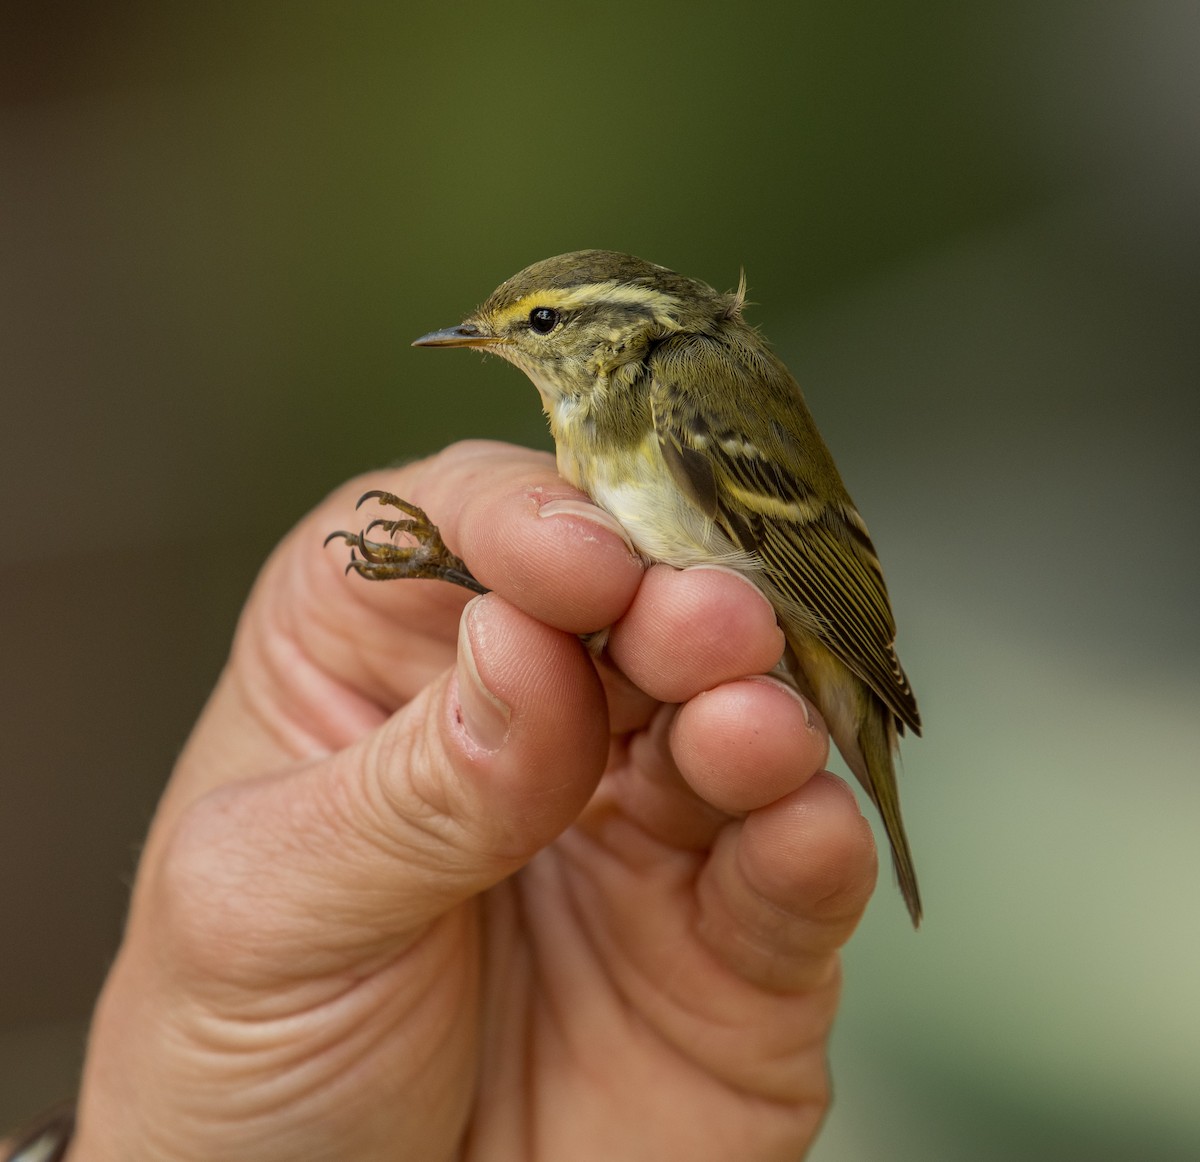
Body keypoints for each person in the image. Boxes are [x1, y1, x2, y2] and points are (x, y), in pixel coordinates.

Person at [6, 441, 878, 1161]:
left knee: (621, 631)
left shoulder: (678, 397)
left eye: (538, 322)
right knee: (604, 625)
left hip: (715, 667)